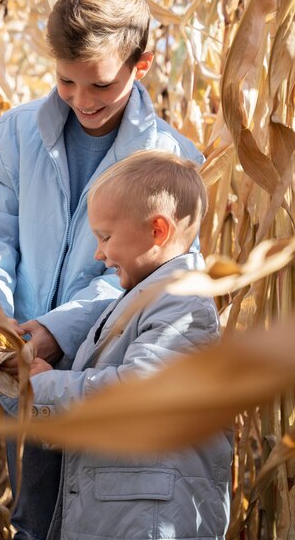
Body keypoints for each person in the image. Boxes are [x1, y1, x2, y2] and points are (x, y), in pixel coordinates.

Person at [0, 0, 204, 540]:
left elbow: (149, 282)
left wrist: (54, 331)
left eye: (100, 86)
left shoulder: (170, 162)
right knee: (35, 520)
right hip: (27, 383)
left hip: (110, 389)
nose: (82, 100)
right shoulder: (11, 137)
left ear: (141, 66)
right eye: (67, 82)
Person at [19, 150, 232, 540]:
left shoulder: (182, 303)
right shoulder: (138, 300)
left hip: (148, 522)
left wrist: (47, 387)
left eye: (105, 237)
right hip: (120, 515)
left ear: (158, 231)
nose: (99, 254)